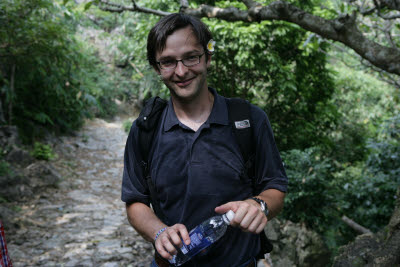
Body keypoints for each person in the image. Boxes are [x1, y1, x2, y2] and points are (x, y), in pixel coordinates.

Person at [121, 13, 288, 267]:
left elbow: (275, 188)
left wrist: (258, 206)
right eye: (167, 62)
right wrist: (159, 232)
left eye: (191, 57)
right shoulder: (146, 130)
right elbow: (135, 200)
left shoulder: (249, 120)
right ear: (157, 67)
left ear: (208, 57)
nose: (181, 71)